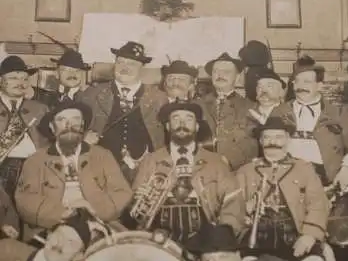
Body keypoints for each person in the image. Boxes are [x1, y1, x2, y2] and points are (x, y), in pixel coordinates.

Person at [129, 100, 245, 256]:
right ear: (168, 126)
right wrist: (138, 200)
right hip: (160, 233)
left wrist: (221, 236)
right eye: (176, 118)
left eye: (188, 119)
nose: (182, 123)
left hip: (205, 234)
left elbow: (233, 202)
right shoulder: (151, 160)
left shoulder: (216, 161)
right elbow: (136, 209)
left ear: (197, 126)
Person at [15, 101, 133, 241]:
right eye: (61, 120)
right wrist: (61, 213)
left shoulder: (103, 155)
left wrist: (94, 209)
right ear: (52, 128)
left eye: (75, 119)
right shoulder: (36, 161)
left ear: (82, 125)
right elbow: (25, 199)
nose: (69, 125)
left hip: (99, 222)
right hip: (52, 226)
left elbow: (122, 192)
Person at [237, 117, 329, 261]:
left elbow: (318, 204)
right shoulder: (246, 171)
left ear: (288, 140)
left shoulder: (304, 169)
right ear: (260, 141)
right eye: (266, 137)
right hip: (258, 235)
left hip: (296, 232)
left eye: (278, 137)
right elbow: (232, 209)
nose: (272, 142)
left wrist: (309, 235)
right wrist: (246, 208)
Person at [79, 41, 168, 182]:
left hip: (144, 173)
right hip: (100, 171)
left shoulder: (158, 97)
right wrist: (83, 138)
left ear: (142, 67)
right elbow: (72, 128)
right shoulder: (93, 94)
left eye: (132, 64)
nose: (125, 67)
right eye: (120, 62)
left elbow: (168, 137)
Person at [270, 55, 348, 192]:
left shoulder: (338, 113)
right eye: (297, 82)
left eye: (307, 82)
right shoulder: (279, 112)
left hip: (326, 180)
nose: (300, 87)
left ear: (320, 85)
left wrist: (346, 170)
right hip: (286, 178)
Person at [195, 52, 259, 170]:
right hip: (201, 169)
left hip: (236, 171)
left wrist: (228, 160)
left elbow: (252, 145)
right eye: (216, 71)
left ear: (238, 77)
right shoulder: (197, 105)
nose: (220, 75)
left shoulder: (250, 107)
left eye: (227, 72)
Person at [0, 56, 49, 199]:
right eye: (14, 78)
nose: (20, 83)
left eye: (25, 79)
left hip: (32, 170)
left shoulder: (41, 109)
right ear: (1, 81)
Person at [0, 210, 93, 261]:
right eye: (59, 234)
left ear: (79, 257)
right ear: (49, 235)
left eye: (71, 242)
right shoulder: (7, 250)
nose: (60, 243)